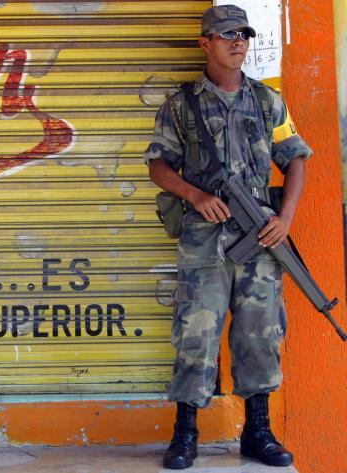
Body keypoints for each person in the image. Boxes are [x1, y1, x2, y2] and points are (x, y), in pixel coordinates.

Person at [145, 4, 313, 470]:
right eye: (226, 35)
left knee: (260, 333)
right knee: (195, 335)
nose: (238, 42)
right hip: (205, 241)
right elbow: (158, 164)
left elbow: (295, 158)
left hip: (260, 238)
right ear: (206, 43)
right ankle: (185, 435)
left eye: (243, 34)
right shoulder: (182, 103)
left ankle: (258, 433)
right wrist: (195, 195)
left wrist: (287, 218)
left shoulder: (266, 100)